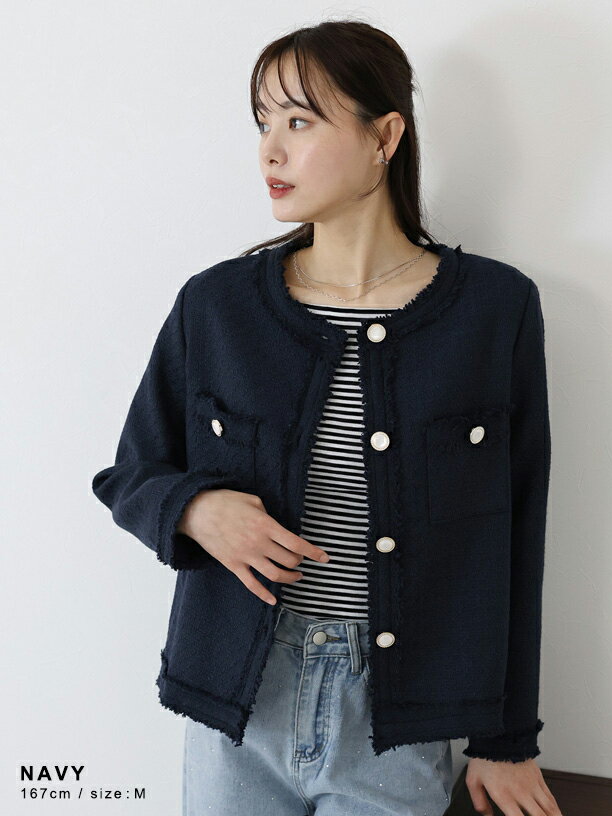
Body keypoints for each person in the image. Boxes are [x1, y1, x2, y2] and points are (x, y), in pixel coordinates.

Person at [92, 18, 563, 816]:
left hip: (401, 722)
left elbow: (518, 530)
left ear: (385, 136)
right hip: (236, 709)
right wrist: (196, 510)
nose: (270, 152)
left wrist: (505, 738)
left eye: (299, 121)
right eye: (263, 123)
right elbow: (131, 474)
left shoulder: (494, 310)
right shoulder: (217, 307)